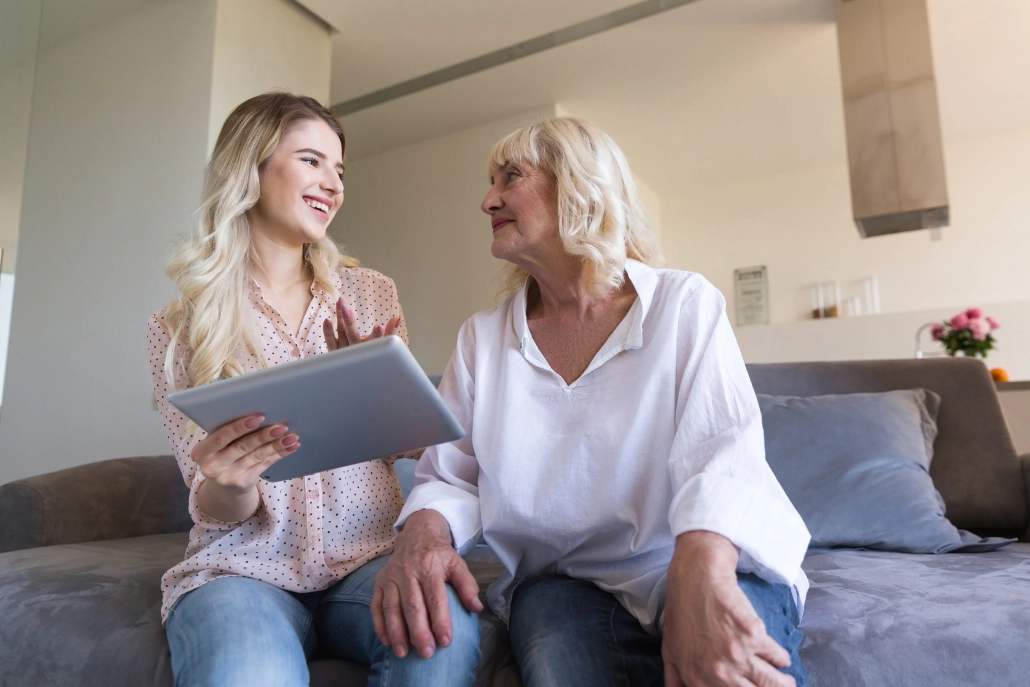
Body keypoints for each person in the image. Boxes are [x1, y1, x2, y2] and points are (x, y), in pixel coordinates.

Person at [373, 117, 811, 687]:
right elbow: (452, 476)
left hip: (693, 550)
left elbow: (722, 453)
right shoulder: (483, 339)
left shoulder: (683, 304)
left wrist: (700, 568)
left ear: (578, 185)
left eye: (511, 178)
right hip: (563, 582)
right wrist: (422, 536)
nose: (488, 200)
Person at [146, 92, 480, 687]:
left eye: (340, 169)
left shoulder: (371, 292)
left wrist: (381, 395)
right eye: (311, 161)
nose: (334, 184)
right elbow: (216, 507)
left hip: (371, 561)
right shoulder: (179, 328)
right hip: (242, 570)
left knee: (441, 635)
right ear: (250, 168)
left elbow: (417, 447)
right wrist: (230, 482)